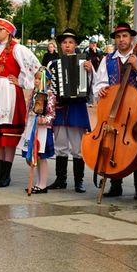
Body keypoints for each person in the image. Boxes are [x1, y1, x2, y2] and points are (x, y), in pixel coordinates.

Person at [93, 22, 137, 200]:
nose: (121, 40)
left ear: (132, 38)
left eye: (125, 36)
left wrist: (136, 67)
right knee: (112, 146)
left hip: (136, 112)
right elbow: (100, 82)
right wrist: (101, 90)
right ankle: (115, 185)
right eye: (118, 37)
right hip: (115, 110)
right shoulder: (108, 59)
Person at [0, 18, 40, 188]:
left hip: (8, 91)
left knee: (7, 135)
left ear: (8, 32)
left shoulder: (17, 48)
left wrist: (21, 81)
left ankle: (6, 174)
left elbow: (35, 67)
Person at [46, 28, 91, 193]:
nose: (67, 45)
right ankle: (60, 179)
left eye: (71, 42)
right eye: (64, 42)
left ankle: (79, 181)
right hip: (59, 109)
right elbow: (47, 86)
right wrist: (52, 95)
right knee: (60, 145)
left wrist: (89, 72)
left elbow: (89, 87)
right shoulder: (53, 64)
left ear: (76, 45)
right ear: (60, 45)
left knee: (78, 148)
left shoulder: (84, 62)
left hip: (77, 108)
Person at [18, 67, 56, 194]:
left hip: (43, 130)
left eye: (40, 79)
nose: (37, 81)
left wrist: (43, 120)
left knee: (41, 156)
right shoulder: (34, 93)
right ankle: (38, 183)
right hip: (32, 127)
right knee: (35, 156)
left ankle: (42, 184)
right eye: (36, 79)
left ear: (47, 81)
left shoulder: (49, 95)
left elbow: (51, 114)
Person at [84, 36, 103, 106]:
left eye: (94, 43)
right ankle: (90, 101)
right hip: (90, 69)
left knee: (98, 84)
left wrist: (95, 53)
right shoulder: (86, 50)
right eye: (92, 43)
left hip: (97, 69)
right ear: (89, 44)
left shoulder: (99, 50)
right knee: (90, 84)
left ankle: (99, 100)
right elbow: (87, 59)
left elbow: (100, 59)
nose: (93, 44)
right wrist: (95, 58)